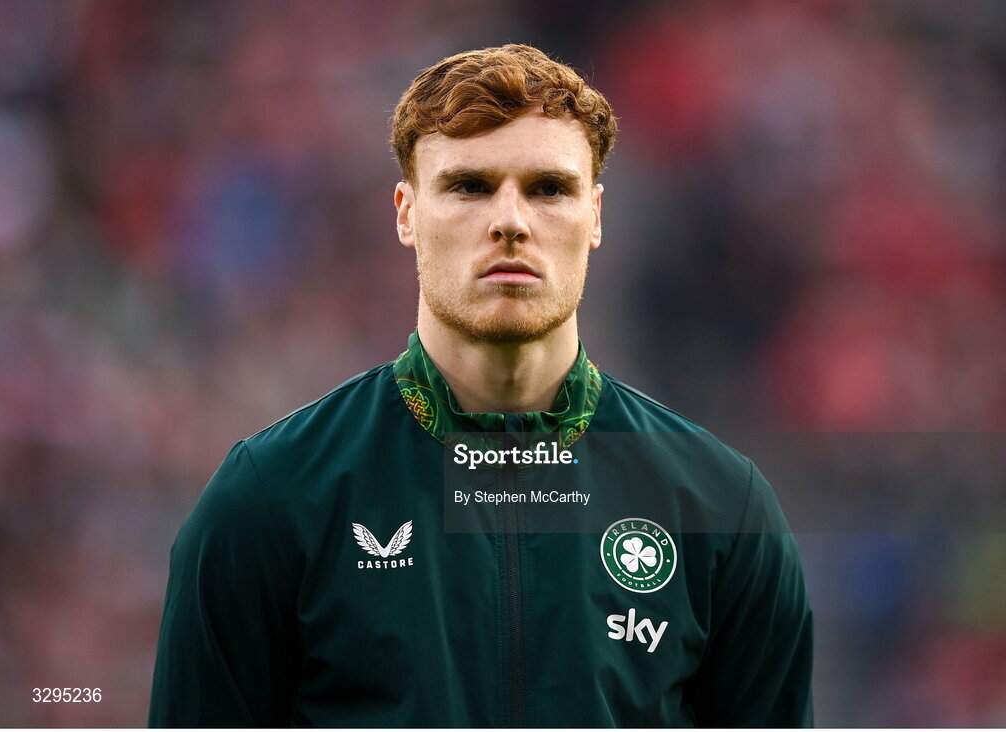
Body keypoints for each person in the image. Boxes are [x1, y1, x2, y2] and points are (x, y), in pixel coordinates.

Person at [149, 43, 813, 727]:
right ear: (406, 213)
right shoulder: (272, 497)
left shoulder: (721, 507)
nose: (511, 222)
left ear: (595, 216)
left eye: (549, 189)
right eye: (469, 186)